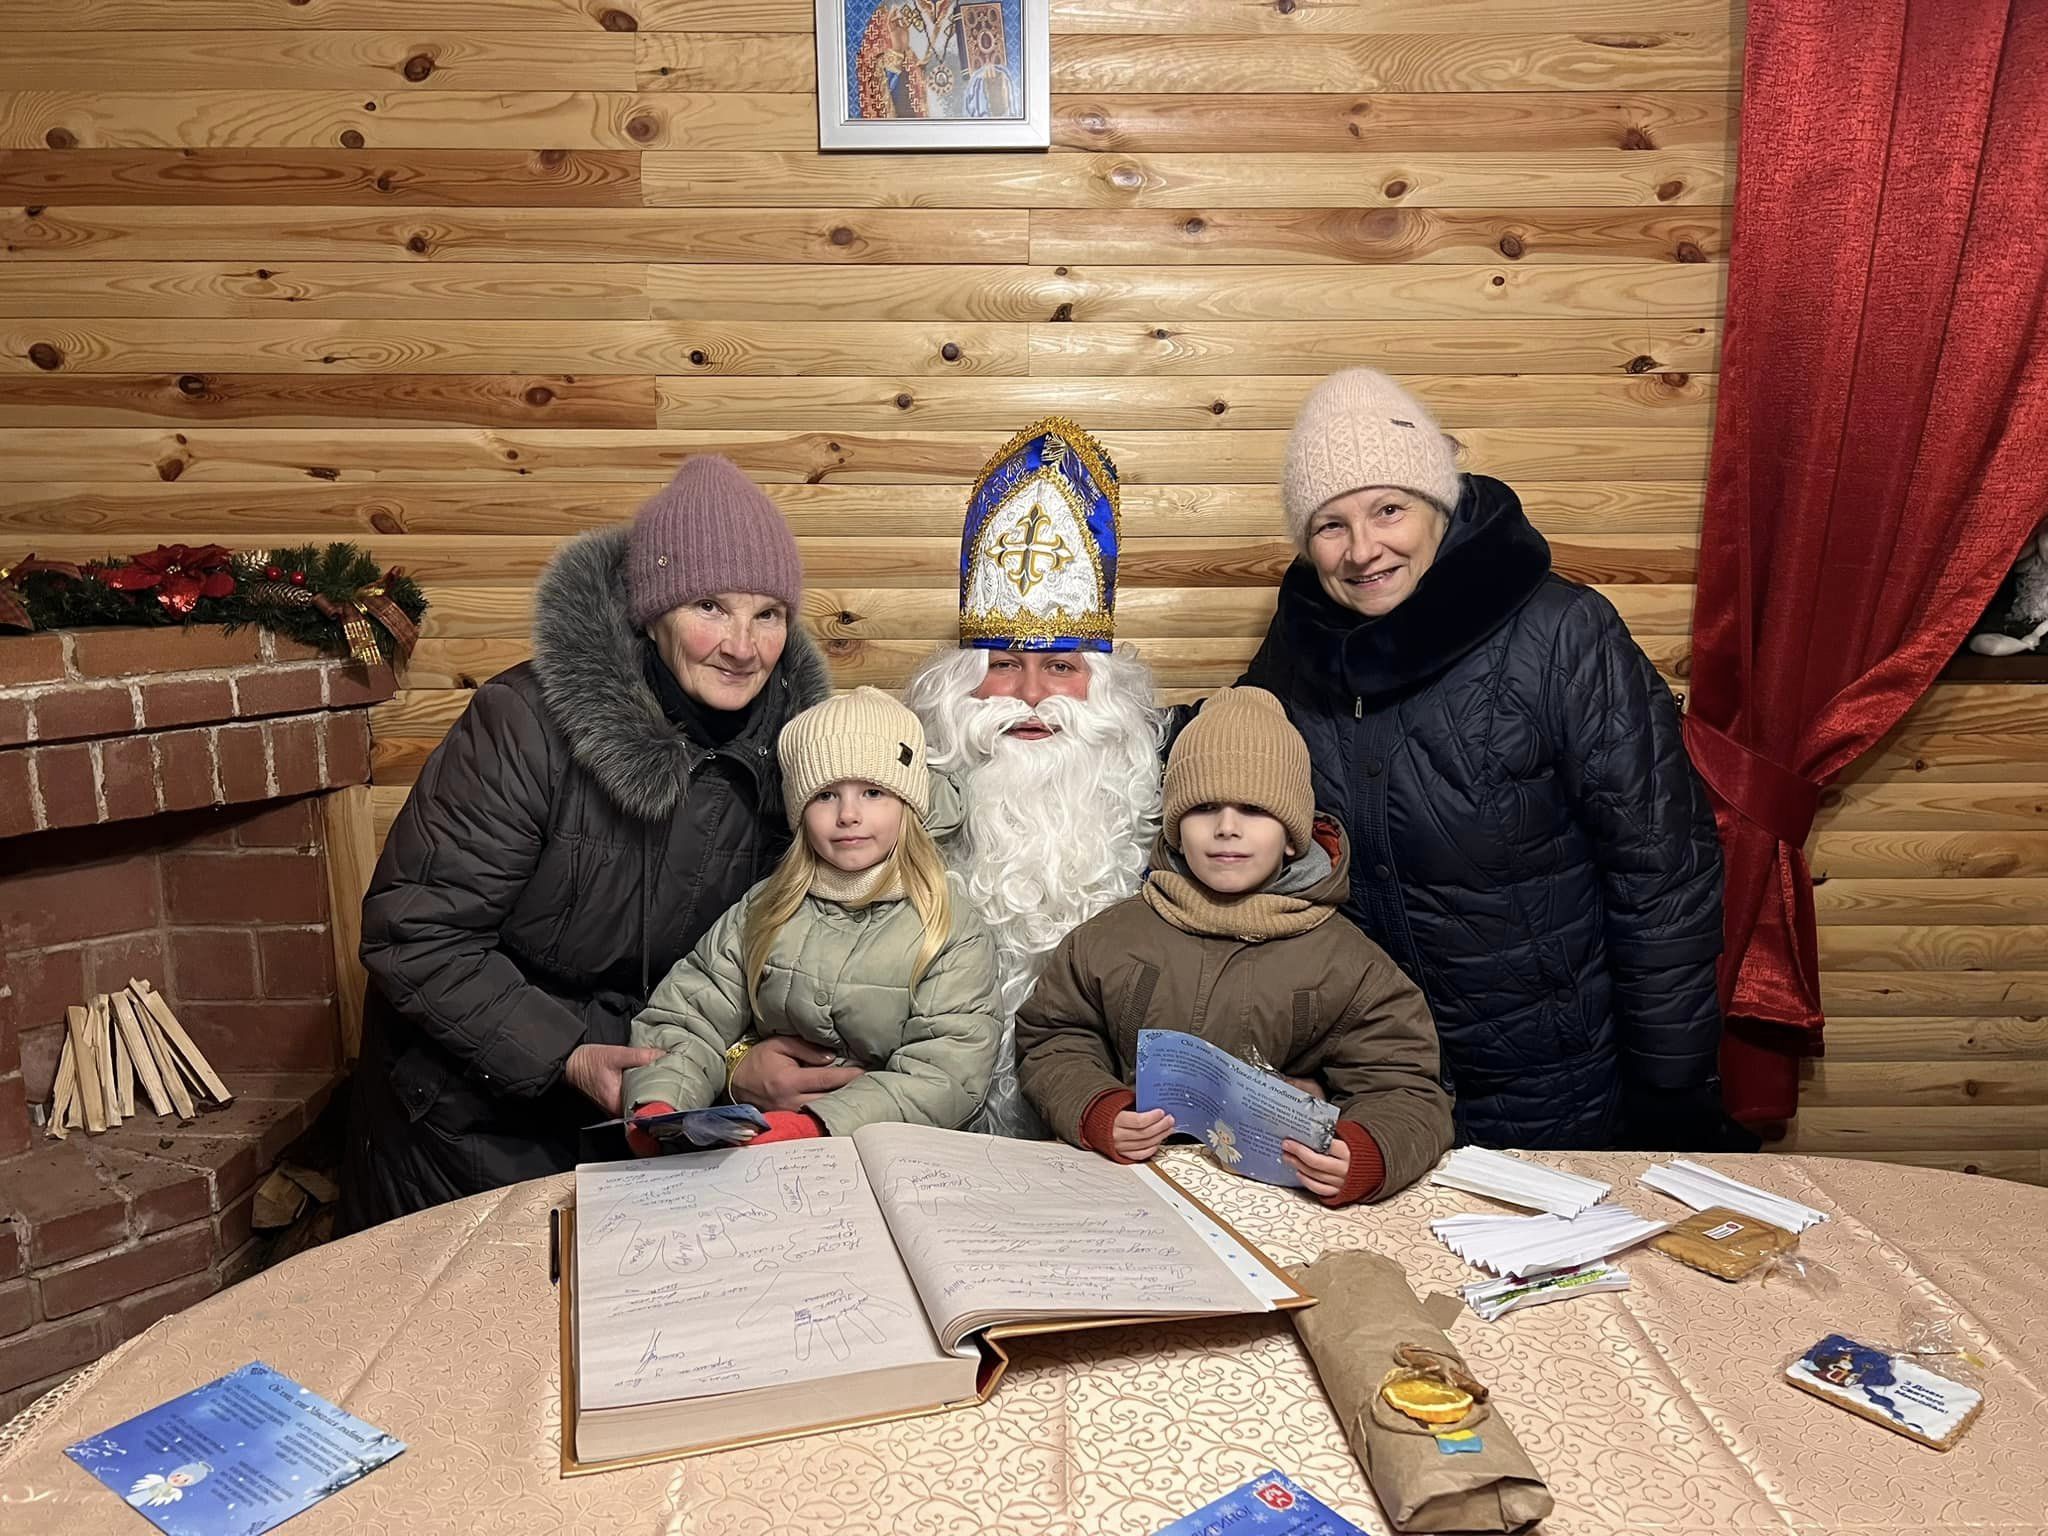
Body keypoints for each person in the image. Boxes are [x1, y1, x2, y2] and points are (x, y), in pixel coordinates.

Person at [1240, 369, 1740, 1151]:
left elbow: (1662, 872)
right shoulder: (1296, 651)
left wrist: (1673, 1085)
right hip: (1376, 1079)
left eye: (1389, 509)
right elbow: (1227, 776)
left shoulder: (1564, 635)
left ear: (1439, 504)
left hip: (1557, 1082)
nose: (1363, 549)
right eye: (1330, 525)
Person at [340, 457, 829, 1230]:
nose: (743, 646)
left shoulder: (798, 757)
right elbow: (414, 932)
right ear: (652, 609)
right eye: (711, 606)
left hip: (661, 1102)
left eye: (768, 614)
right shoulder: (524, 723)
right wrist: (569, 1053)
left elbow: (764, 959)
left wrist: (737, 1066)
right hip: (468, 1122)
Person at [728, 418, 1166, 1138]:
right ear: (956, 691)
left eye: (1060, 666)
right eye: (1002, 665)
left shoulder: (1175, 828)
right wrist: (737, 1057)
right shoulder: (870, 822)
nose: (1031, 694)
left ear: (1106, 693)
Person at [1014, 688, 1453, 1205]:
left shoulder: (1349, 962)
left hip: (1281, 1206)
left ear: (1294, 835)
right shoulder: (1112, 938)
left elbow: (1405, 1087)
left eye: (1253, 809)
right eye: (1203, 808)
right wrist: (1096, 1108)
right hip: (1131, 1194)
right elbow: (1053, 1038)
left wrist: (1365, 1153)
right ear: (1176, 829)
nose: (1226, 828)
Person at [620, 689, 1001, 1146]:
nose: (848, 815)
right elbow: (688, 1015)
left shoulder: (946, 923)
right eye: (825, 795)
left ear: (908, 803)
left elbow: (948, 1070)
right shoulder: (767, 906)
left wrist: (814, 1124)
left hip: (892, 1154)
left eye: (874, 792)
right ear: (800, 810)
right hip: (764, 1142)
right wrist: (660, 1108)